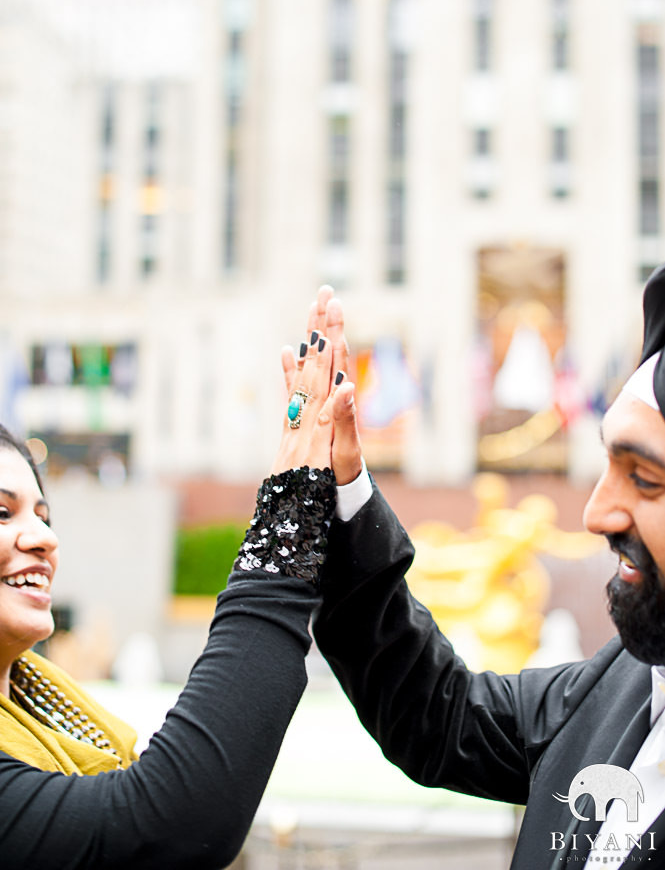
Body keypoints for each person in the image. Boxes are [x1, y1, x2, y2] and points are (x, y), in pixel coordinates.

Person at [295, 268, 665, 868]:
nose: (596, 515)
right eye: (606, 466)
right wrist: (343, 491)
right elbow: (438, 714)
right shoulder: (621, 682)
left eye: (643, 478)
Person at [0, 328, 345, 869]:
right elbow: (171, 823)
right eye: (3, 513)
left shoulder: (54, 710)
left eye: (44, 516)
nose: (44, 538)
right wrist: (288, 521)